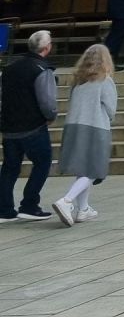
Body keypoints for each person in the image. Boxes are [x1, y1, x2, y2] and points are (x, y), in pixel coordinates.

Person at [51, 44, 117, 226]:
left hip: (74, 126)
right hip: (96, 127)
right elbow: (111, 108)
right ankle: (67, 200)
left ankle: (84, 208)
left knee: (83, 169)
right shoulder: (105, 80)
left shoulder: (78, 81)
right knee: (94, 169)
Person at [0, 30, 57, 222]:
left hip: (9, 127)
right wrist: (50, 116)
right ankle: (30, 204)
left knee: (10, 167)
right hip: (33, 126)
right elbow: (47, 101)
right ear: (47, 48)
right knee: (42, 162)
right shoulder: (42, 69)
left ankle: (4, 208)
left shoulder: (9, 68)